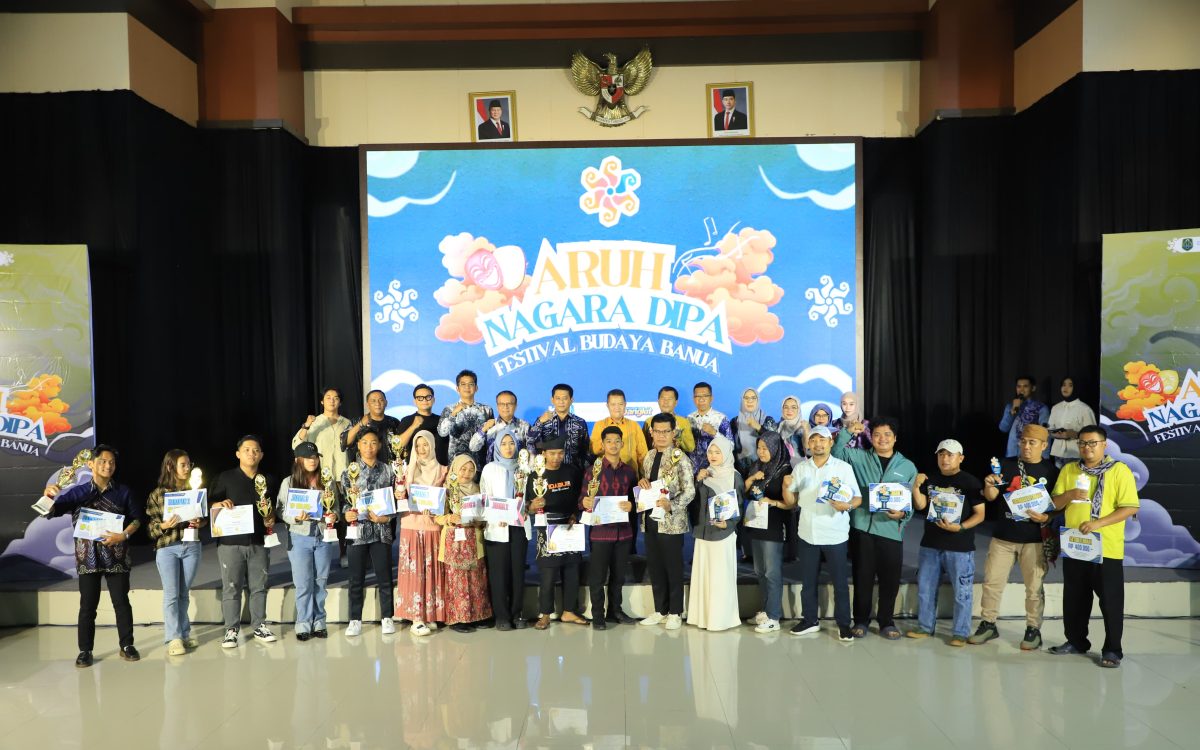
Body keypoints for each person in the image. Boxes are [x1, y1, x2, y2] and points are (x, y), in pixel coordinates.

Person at [1048, 425, 1139, 668]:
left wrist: (1098, 523)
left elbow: (1130, 507)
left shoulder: (1119, 470)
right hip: (1075, 545)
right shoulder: (1069, 470)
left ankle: (1113, 650)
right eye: (1082, 443)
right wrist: (1069, 494)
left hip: (1106, 548)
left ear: (1104, 445)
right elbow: (1054, 504)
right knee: (1074, 599)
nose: (1086, 447)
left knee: (1110, 601)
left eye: (1092, 443)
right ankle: (1076, 641)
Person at [43, 445, 142, 667]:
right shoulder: (78, 493)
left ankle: (127, 645)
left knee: (121, 603)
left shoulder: (124, 492)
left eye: (112, 462)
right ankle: (85, 650)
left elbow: (137, 519)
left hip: (117, 556)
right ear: (91, 464)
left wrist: (123, 535)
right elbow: (50, 512)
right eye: (103, 461)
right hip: (87, 558)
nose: (108, 466)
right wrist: (48, 496)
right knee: (88, 606)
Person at [970, 424, 1059, 649]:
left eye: (1032, 443)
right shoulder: (1005, 465)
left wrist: (1046, 517)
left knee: (1034, 588)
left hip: (1034, 539)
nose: (1026, 446)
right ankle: (988, 623)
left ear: (1044, 445)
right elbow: (991, 496)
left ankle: (1033, 629)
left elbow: (1057, 506)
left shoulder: (1051, 471)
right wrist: (989, 485)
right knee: (992, 583)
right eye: (1023, 441)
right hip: (1003, 536)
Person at [833, 417, 917, 639]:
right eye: (877, 434)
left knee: (890, 580)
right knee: (863, 577)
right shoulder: (858, 457)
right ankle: (861, 620)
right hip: (863, 529)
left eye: (887, 434)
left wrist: (903, 515)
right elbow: (836, 453)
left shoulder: (907, 466)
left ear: (895, 438)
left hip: (891, 530)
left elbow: (909, 501)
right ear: (871, 437)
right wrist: (848, 432)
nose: (882, 439)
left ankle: (886, 622)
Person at [907, 439, 986, 646]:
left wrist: (960, 528)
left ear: (961, 458)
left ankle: (960, 632)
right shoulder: (930, 479)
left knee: (962, 592)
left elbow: (980, 514)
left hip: (960, 546)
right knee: (925, 588)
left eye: (950, 455)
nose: (945, 459)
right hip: (931, 543)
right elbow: (921, 506)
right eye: (941, 454)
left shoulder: (970, 482)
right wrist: (916, 487)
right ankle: (925, 627)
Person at [784, 426, 860, 641]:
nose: (818, 444)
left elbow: (857, 498)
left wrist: (847, 506)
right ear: (808, 444)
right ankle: (810, 620)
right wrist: (786, 486)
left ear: (831, 442)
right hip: (807, 532)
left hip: (835, 533)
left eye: (822, 440)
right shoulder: (800, 468)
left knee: (840, 583)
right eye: (814, 440)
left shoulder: (843, 468)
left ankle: (844, 624)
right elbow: (791, 502)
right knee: (808, 582)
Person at [210, 435, 278, 648]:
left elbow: (274, 509)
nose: (251, 453)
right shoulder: (225, 478)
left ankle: (259, 626)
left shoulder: (268, 480)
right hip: (230, 543)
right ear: (238, 454)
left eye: (256, 450)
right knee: (232, 588)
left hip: (259, 542)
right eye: (247, 449)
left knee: (259, 587)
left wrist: (271, 518)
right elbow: (210, 504)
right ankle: (231, 630)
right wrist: (218, 504)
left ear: (261, 455)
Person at [639, 413, 696, 630]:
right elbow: (648, 483)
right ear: (651, 432)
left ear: (674, 433)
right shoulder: (649, 456)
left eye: (666, 431)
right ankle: (660, 610)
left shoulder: (681, 458)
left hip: (672, 522)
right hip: (650, 519)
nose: (661, 435)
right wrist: (642, 482)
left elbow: (690, 491)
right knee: (655, 567)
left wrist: (672, 504)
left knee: (673, 568)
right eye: (657, 431)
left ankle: (675, 612)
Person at [146, 449, 205, 656]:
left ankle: (184, 634)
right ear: (171, 466)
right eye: (183, 464)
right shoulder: (157, 494)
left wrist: (199, 521)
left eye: (189, 464)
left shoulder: (194, 490)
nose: (187, 468)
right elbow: (151, 529)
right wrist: (164, 525)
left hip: (191, 546)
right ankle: (173, 638)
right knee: (171, 595)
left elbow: (203, 519)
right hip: (167, 548)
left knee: (183, 593)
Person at [276, 442, 337, 641]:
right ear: (297, 460)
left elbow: (336, 507)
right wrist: (295, 517)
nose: (312, 460)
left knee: (321, 582)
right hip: (299, 537)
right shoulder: (288, 482)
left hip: (323, 536)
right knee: (303, 583)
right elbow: (280, 510)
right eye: (308, 457)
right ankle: (303, 623)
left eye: (315, 457)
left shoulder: (326, 481)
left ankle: (319, 622)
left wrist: (334, 516)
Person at [341, 428, 398, 637]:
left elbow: (396, 501)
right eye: (365, 442)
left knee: (384, 576)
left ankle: (387, 617)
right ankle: (355, 619)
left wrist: (387, 518)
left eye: (373, 442)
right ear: (358, 445)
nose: (369, 447)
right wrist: (346, 514)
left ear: (380, 445)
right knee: (356, 578)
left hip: (381, 530)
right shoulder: (349, 472)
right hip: (357, 531)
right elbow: (343, 502)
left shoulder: (389, 471)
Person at [580, 426, 638, 630]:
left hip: (623, 533)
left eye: (617, 441)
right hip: (600, 534)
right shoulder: (592, 471)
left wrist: (632, 505)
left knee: (618, 576)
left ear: (622, 444)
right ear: (602, 444)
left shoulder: (629, 472)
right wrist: (585, 502)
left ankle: (615, 611)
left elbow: (636, 500)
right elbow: (581, 500)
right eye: (609, 441)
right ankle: (598, 615)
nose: (613, 445)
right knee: (597, 577)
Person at [529, 435, 589, 629]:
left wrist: (575, 515)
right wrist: (533, 506)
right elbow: (526, 506)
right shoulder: (535, 476)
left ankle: (569, 611)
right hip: (547, 526)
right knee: (548, 573)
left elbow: (579, 498)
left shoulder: (572, 472)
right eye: (552, 453)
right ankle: (545, 614)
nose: (557, 457)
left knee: (572, 570)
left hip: (569, 525)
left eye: (560, 453)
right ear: (544, 454)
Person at [394, 429, 448, 636]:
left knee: (432, 570)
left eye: (426, 444)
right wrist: (399, 488)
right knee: (415, 571)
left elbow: (447, 499)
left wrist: (436, 507)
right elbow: (400, 497)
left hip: (433, 526)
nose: (422, 449)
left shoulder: (443, 470)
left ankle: (431, 614)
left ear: (432, 446)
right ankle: (416, 617)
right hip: (412, 526)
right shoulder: (406, 471)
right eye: (418, 445)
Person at [688, 435, 743, 632]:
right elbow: (693, 502)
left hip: (722, 534)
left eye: (717, 452)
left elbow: (739, 506)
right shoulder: (704, 473)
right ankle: (702, 617)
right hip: (703, 534)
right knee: (703, 576)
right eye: (710, 452)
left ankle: (720, 619)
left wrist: (728, 523)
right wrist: (697, 481)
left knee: (720, 578)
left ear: (726, 454)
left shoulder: (734, 476)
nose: (712, 455)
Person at [741, 431, 793, 633]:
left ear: (775, 448)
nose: (761, 452)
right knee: (760, 571)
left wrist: (773, 502)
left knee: (772, 572)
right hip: (756, 523)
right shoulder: (757, 466)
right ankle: (764, 611)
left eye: (765, 448)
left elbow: (791, 504)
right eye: (759, 448)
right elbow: (745, 491)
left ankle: (773, 616)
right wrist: (753, 477)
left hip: (774, 526)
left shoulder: (784, 470)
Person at [437, 454, 493, 632]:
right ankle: (458, 619)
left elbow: (484, 515)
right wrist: (449, 518)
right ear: (455, 469)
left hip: (474, 539)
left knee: (477, 579)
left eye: (471, 470)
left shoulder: (477, 489)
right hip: (454, 541)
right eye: (463, 469)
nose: (467, 473)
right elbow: (436, 516)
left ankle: (479, 615)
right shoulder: (446, 489)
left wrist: (479, 521)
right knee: (457, 580)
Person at [480, 429, 529, 630]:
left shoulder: (524, 468)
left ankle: (517, 614)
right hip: (496, 528)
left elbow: (529, 497)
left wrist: (528, 508)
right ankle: (501, 616)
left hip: (519, 527)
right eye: (504, 444)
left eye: (511, 443)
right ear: (497, 447)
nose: (508, 447)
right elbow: (485, 498)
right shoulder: (490, 469)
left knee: (517, 573)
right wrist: (495, 517)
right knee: (498, 574)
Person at [528, 383, 591, 471]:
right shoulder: (543, 420)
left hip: (573, 471)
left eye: (565, 398)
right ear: (552, 400)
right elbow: (530, 441)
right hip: (548, 471)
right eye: (558, 398)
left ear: (571, 400)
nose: (561, 402)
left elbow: (586, 450)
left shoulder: (580, 422)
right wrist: (540, 422)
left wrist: (584, 471)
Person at [438, 369, 495, 466]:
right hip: (456, 462)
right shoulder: (449, 409)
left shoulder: (486, 410)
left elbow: (491, 438)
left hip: (480, 463)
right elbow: (442, 433)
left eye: (471, 384)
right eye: (463, 384)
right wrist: (453, 414)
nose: (467, 387)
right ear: (457, 388)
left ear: (476, 388)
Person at [292, 386, 351, 479]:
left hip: (343, 476)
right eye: (328, 398)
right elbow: (296, 445)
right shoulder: (314, 422)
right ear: (322, 401)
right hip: (321, 476)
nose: (332, 401)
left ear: (340, 402)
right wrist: (306, 426)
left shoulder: (347, 423)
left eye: (336, 398)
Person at [589, 389, 648, 477]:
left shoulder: (634, 425)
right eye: (613, 404)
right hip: (605, 477)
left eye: (620, 404)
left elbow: (643, 455)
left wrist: (644, 477)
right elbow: (593, 450)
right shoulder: (599, 425)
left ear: (625, 405)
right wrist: (608, 443)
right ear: (607, 406)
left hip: (630, 477)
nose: (617, 408)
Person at [393, 383, 449, 465]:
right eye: (420, 398)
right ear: (415, 401)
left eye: (428, 397)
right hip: (416, 469)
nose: (424, 400)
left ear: (433, 399)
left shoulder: (442, 420)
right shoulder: (407, 420)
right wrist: (413, 426)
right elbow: (397, 446)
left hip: (439, 468)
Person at [342, 389, 403, 464]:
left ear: (386, 403)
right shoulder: (356, 422)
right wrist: (361, 424)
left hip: (390, 468)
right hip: (364, 469)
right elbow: (344, 442)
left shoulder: (394, 422)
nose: (377, 403)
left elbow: (402, 446)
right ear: (367, 405)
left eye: (381, 400)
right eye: (373, 401)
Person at [470, 389, 529, 464]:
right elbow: (473, 447)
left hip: (517, 469)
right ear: (497, 406)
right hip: (493, 469)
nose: (505, 407)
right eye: (502, 404)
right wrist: (483, 430)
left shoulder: (524, 426)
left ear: (516, 406)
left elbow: (530, 451)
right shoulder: (489, 425)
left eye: (509, 404)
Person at [1048, 376, 1096, 467]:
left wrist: (1075, 434)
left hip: (1077, 454)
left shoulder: (1085, 409)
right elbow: (1049, 429)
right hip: (1058, 454)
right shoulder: (1056, 408)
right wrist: (1056, 434)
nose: (1065, 388)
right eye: (1063, 385)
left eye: (1070, 385)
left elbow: (1093, 434)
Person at [998, 375, 1049, 459]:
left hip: (1031, 454)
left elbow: (1045, 433)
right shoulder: (1010, 406)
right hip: (1012, 453)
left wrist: (1044, 457)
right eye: (1019, 386)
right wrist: (1012, 411)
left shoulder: (1041, 408)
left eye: (1025, 386)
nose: (1021, 390)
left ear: (1033, 388)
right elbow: (1003, 428)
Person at [687, 381, 733, 473]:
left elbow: (731, 446)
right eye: (698, 396)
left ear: (711, 398)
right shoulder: (688, 419)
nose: (701, 399)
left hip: (714, 470)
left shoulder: (720, 418)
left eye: (705, 396)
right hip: (691, 470)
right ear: (693, 398)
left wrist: (714, 433)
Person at [730, 388, 774, 474]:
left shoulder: (768, 420)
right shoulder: (734, 422)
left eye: (753, 398)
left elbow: (775, 444)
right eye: (746, 398)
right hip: (740, 469)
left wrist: (759, 427)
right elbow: (731, 446)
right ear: (742, 401)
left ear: (758, 400)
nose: (749, 401)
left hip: (763, 468)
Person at [642, 385, 696, 455]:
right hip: (654, 459)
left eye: (670, 399)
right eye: (663, 398)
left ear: (676, 402)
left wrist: (678, 436)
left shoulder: (683, 422)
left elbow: (690, 448)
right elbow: (642, 447)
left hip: (677, 460)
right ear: (658, 401)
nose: (666, 402)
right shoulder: (649, 422)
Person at [773, 395, 807, 462]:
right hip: (780, 466)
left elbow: (809, 452)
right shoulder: (776, 428)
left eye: (793, 407)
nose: (789, 410)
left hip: (801, 466)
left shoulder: (804, 428)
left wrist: (806, 432)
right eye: (786, 407)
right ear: (782, 409)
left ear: (798, 410)